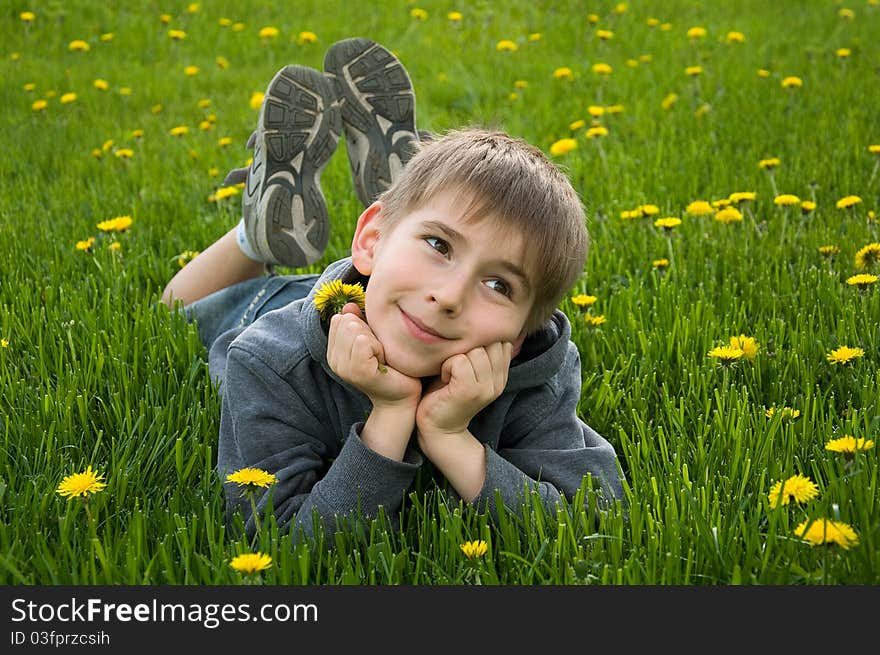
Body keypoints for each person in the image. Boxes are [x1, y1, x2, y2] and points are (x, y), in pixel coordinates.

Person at [161, 37, 626, 544]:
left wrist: (451, 439)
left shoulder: (535, 371)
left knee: (419, 229)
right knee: (177, 307)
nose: (449, 296)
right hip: (271, 307)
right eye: (440, 245)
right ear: (369, 239)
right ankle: (256, 231)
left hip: (385, 290)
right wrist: (389, 417)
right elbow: (279, 546)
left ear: (520, 334)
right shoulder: (270, 360)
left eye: (498, 284)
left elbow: (591, 527)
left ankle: (413, 202)